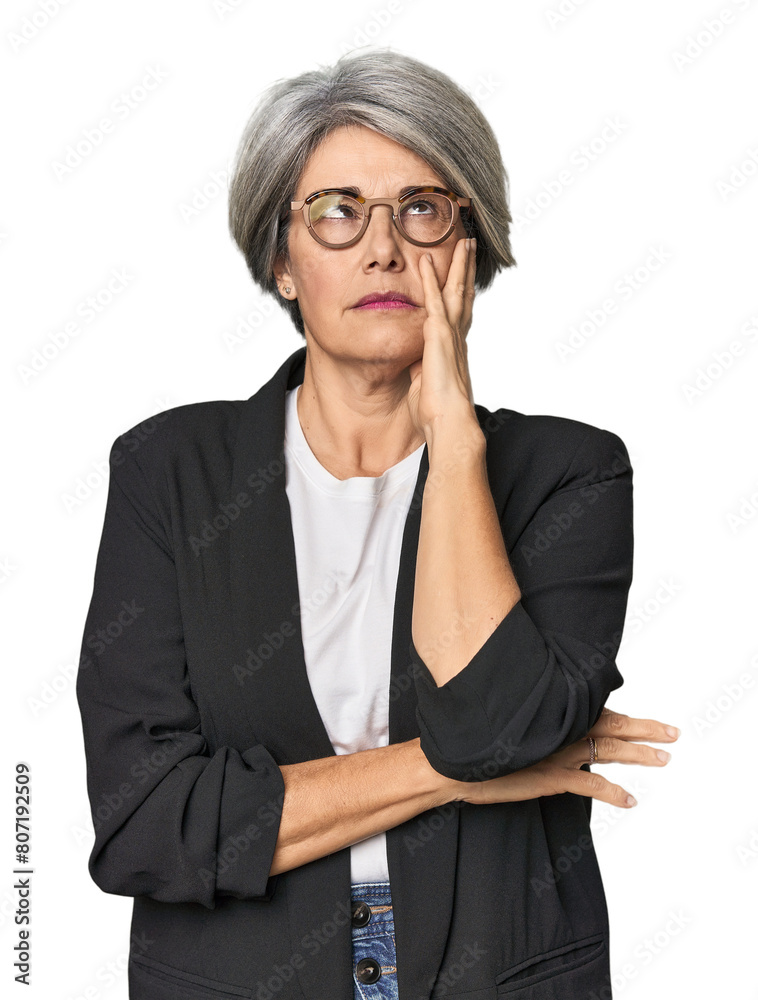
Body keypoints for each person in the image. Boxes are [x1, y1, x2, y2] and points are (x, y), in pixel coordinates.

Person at [75, 49, 679, 1000]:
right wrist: (459, 773)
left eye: (422, 208)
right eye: (337, 210)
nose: (384, 248)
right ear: (283, 261)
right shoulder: (170, 471)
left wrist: (454, 438)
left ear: (470, 246)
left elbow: (492, 724)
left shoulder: (569, 473)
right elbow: (145, 825)